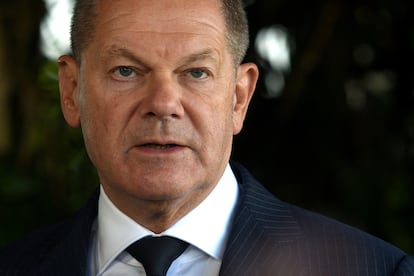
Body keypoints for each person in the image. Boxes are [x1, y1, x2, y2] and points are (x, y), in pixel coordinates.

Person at [1, 0, 413, 275]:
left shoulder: (373, 268)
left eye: (196, 73)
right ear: (71, 91)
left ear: (238, 97)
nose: (163, 104)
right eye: (126, 71)